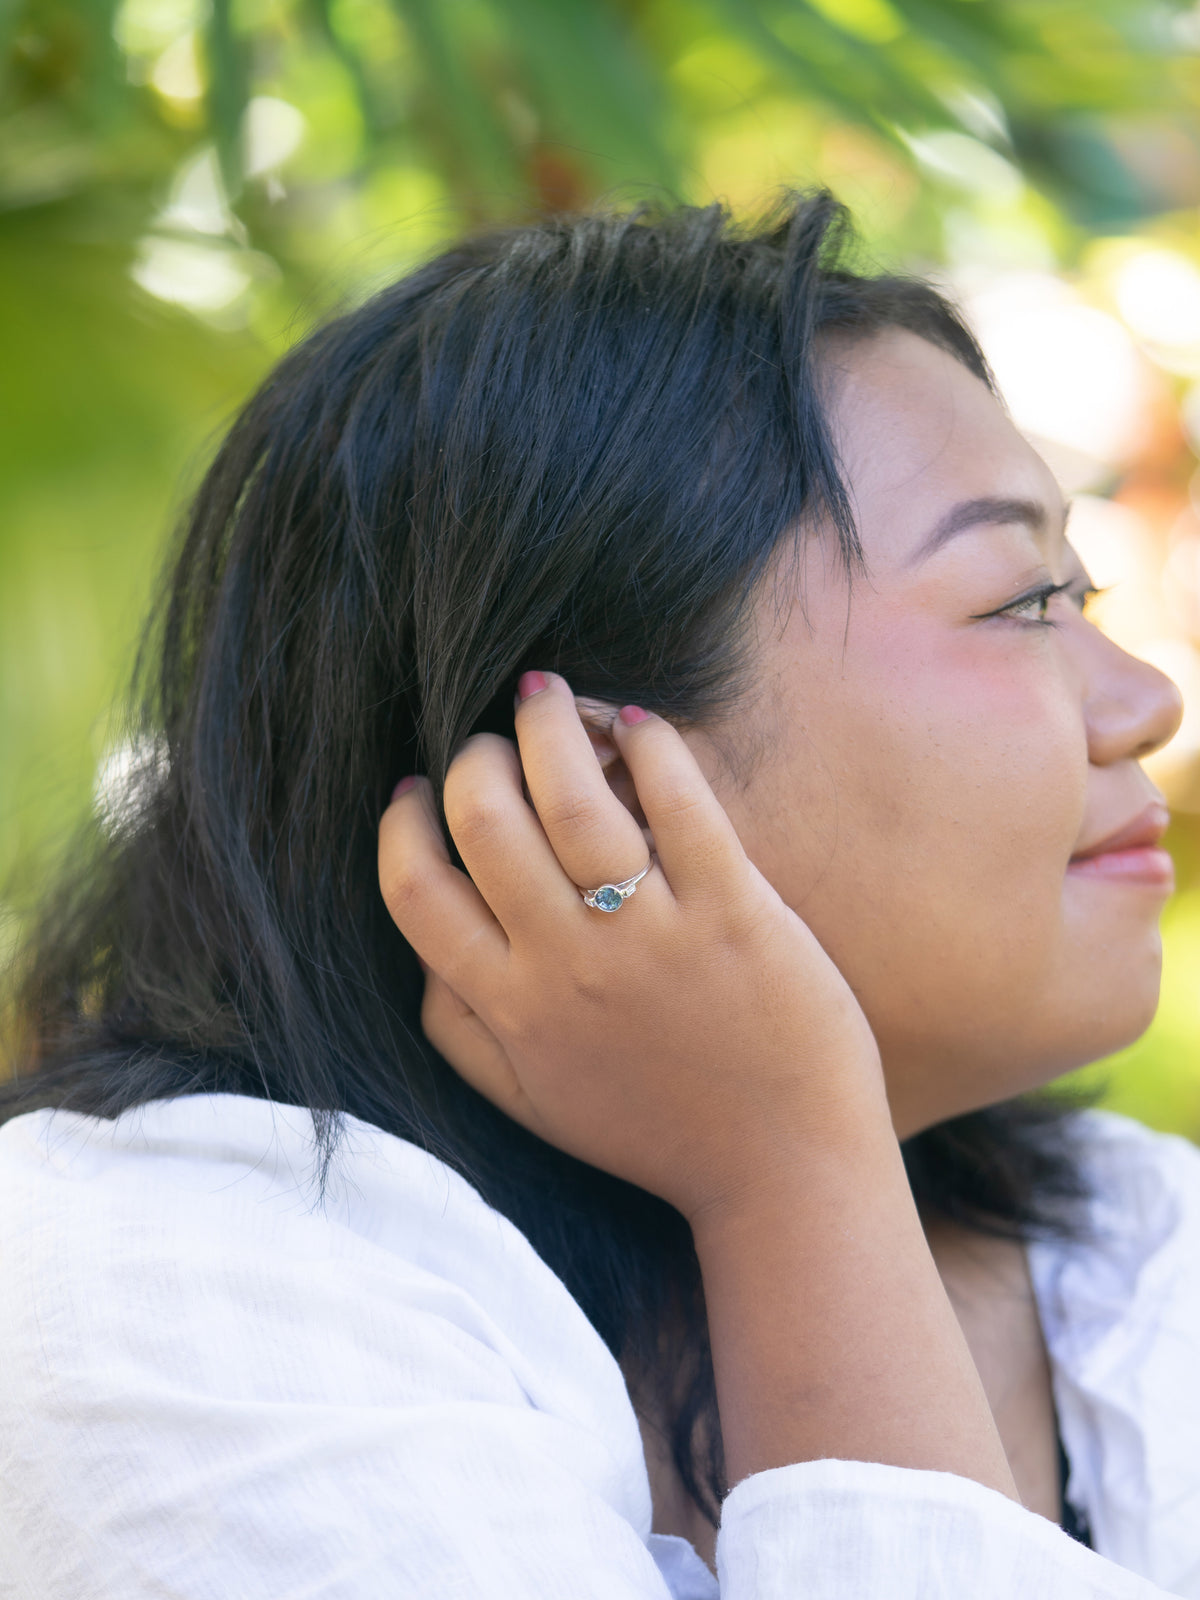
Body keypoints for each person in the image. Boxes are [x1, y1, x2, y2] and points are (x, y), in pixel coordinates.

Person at [1, 191, 1197, 1599]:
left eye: (1087, 595)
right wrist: (789, 1178)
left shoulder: (1140, 1248)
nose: (1150, 704)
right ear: (583, 772)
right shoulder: (164, 1295)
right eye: (1021, 603)